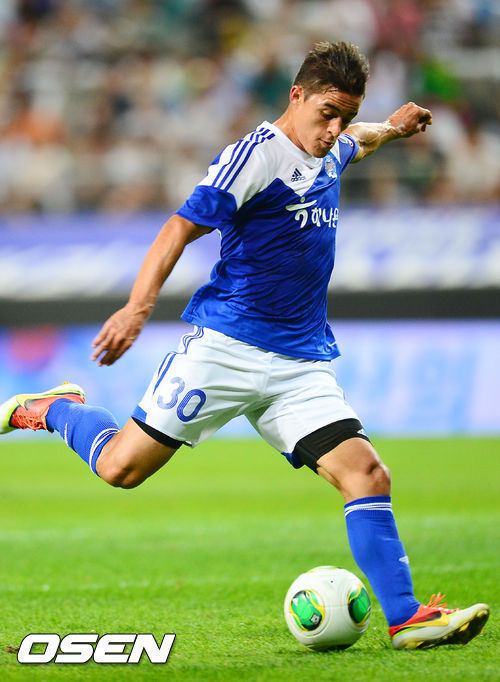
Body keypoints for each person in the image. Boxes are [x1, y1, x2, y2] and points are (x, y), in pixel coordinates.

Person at [0, 41, 489, 650]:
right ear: (297, 96)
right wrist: (137, 307)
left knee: (368, 474)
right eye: (327, 113)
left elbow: (356, 142)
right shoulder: (255, 156)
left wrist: (391, 127)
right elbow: (178, 227)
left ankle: (407, 617)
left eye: (346, 115)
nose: (333, 129)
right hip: (225, 349)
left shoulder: (331, 145)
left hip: (301, 363)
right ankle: (51, 408)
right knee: (120, 469)